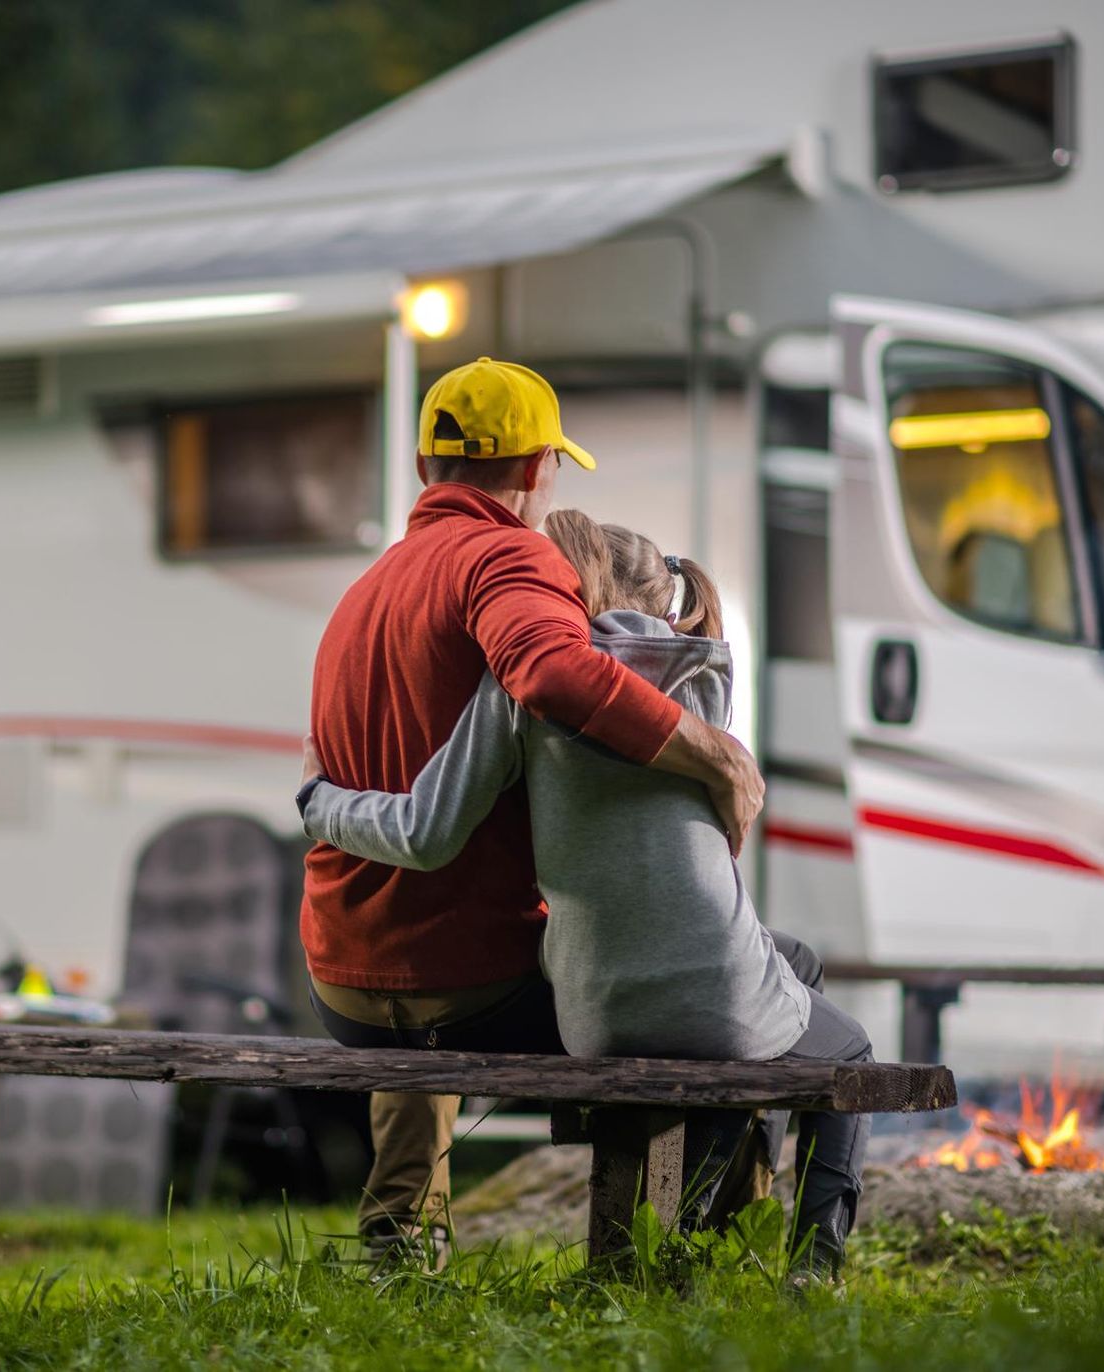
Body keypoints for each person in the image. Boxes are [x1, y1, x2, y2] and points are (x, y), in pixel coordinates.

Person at [302, 509, 870, 1278]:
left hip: (591, 1005)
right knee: (844, 1047)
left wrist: (319, 799)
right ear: (669, 601)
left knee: (773, 977)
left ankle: (707, 1218)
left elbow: (426, 829)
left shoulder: (511, 686)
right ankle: (801, 1259)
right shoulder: (704, 676)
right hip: (699, 985)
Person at [299, 358, 764, 1259]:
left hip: (341, 983)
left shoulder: (365, 593)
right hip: (468, 988)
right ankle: (681, 1249)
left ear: (427, 467)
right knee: (667, 1000)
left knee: (431, 937)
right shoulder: (508, 554)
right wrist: (716, 757)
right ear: (537, 468)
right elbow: (552, 671)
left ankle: (401, 1243)